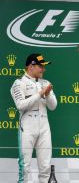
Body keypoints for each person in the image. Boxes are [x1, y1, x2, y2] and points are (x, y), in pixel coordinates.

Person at [10, 53, 57, 183]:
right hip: (27, 128)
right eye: (41, 66)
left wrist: (47, 95)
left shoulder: (46, 83)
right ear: (31, 66)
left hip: (44, 128)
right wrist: (40, 93)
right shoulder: (19, 83)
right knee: (25, 167)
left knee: (45, 167)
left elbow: (53, 106)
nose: (44, 69)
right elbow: (20, 105)